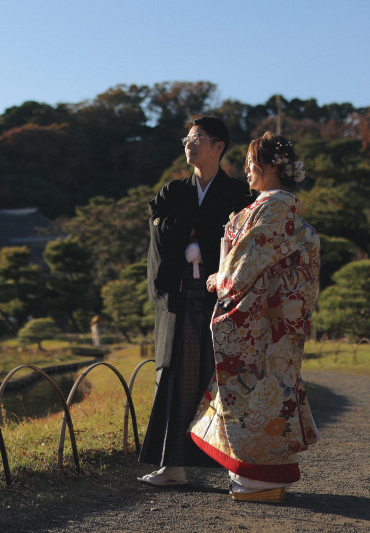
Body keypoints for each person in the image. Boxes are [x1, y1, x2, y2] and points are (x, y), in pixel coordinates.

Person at [189, 132, 320, 502]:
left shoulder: (273, 208)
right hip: (271, 321)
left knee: (255, 394)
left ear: (272, 167)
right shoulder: (277, 207)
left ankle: (259, 480)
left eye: (251, 164)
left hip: (260, 322)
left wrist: (220, 278)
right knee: (265, 391)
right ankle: (259, 478)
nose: (247, 170)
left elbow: (246, 262)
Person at [139, 116, 251, 486]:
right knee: (178, 379)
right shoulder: (172, 192)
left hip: (226, 300)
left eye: (198, 138)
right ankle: (174, 466)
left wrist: (192, 233)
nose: (190, 143)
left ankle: (239, 469)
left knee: (227, 381)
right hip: (183, 295)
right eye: (187, 138)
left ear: (219, 146)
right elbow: (161, 237)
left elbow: (246, 247)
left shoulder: (240, 195)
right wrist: (199, 233)